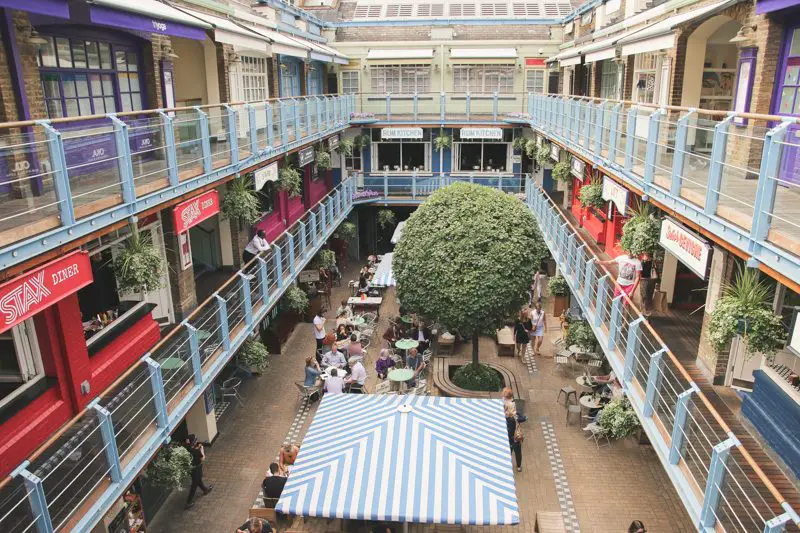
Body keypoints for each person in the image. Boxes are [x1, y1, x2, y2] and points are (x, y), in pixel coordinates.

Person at [184, 434, 213, 509]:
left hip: (192, 469)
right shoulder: (196, 451)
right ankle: (188, 502)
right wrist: (201, 448)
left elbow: (192, 450)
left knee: (198, 479)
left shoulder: (186, 449)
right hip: (197, 469)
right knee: (194, 485)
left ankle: (205, 490)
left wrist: (197, 447)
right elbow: (202, 458)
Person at [506, 403, 522, 472]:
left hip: (513, 440)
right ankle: (518, 466)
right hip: (514, 440)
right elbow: (523, 418)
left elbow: (522, 418)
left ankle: (517, 466)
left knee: (515, 453)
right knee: (517, 453)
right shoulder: (511, 419)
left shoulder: (509, 417)